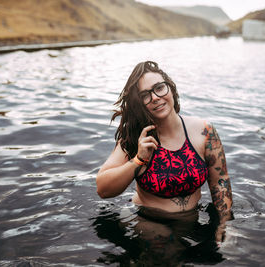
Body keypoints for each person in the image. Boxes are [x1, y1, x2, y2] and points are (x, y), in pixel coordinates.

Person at [96, 61, 233, 243]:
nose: (154, 97)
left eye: (159, 88)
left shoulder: (204, 131)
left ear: (170, 88)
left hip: (192, 220)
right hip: (147, 219)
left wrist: (225, 225)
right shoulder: (136, 138)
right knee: (168, 246)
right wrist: (138, 160)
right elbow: (103, 189)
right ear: (139, 104)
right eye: (145, 95)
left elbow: (220, 183)